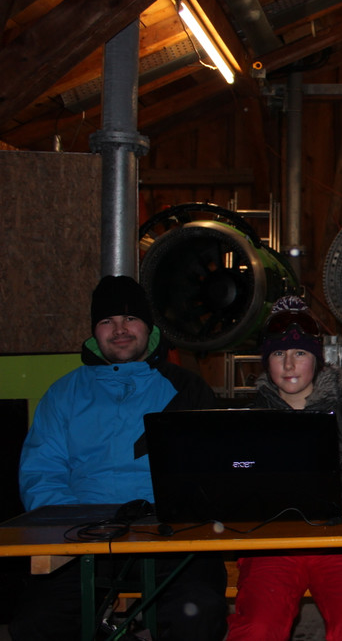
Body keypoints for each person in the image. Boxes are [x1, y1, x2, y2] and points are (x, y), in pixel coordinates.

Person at [12, 275, 227, 641]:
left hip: (169, 537)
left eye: (130, 318)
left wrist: (181, 517)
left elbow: (214, 467)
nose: (120, 329)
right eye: (107, 321)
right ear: (94, 331)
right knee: (36, 623)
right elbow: (41, 472)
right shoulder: (64, 394)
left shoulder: (186, 388)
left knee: (198, 613)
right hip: (83, 537)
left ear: (148, 326)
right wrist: (76, 527)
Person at [226, 296, 342, 640]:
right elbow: (235, 477)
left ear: (315, 359)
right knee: (257, 628)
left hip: (339, 541)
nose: (288, 365)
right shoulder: (252, 417)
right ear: (266, 362)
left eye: (299, 353)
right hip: (272, 543)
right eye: (278, 354)